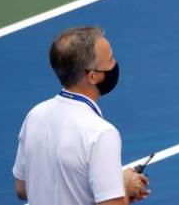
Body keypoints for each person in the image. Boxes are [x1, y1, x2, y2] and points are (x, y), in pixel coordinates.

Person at [12, 27, 150, 205]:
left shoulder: (35, 115)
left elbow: (22, 188)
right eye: (110, 60)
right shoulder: (101, 133)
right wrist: (124, 187)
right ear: (93, 76)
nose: (115, 64)